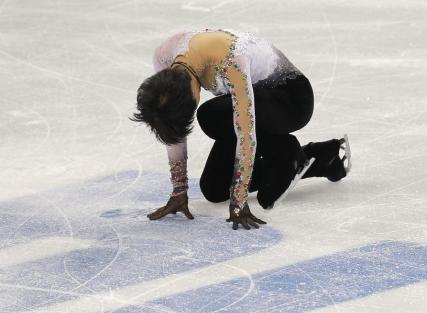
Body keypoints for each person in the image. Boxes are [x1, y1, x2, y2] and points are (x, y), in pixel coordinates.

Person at [132, 29, 350, 229]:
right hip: (255, 104)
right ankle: (317, 159)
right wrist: (179, 190)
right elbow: (172, 122)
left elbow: (246, 134)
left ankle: (286, 149)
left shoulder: (231, 62)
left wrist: (239, 201)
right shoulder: (164, 58)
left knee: (210, 116)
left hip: (291, 100)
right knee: (214, 189)